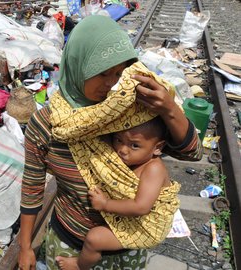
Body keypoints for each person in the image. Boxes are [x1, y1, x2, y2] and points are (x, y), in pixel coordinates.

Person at [18, 15, 203, 270]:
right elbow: (32, 186)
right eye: (102, 73)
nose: (111, 84)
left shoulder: (129, 112)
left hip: (125, 247)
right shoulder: (47, 124)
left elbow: (193, 153)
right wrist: (25, 246)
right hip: (70, 243)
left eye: (118, 73)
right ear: (78, 64)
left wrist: (170, 109)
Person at [57, 117, 180, 270]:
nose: (122, 150)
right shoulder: (132, 161)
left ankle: (79, 265)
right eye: (118, 140)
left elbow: (141, 207)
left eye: (134, 145)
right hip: (136, 219)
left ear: (157, 147)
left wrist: (105, 204)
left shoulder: (154, 168)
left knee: (94, 239)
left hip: (147, 228)